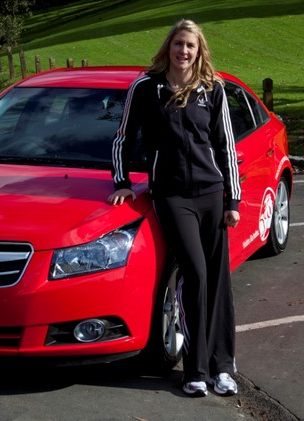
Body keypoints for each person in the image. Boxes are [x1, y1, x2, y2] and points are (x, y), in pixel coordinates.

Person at [108, 19, 241, 398]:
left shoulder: (212, 90)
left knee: (217, 280)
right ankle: (194, 370)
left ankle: (223, 367)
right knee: (195, 275)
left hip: (212, 193)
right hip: (172, 196)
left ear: (199, 52)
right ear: (168, 46)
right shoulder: (146, 88)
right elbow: (122, 138)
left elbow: (225, 146)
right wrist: (121, 183)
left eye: (191, 47)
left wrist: (232, 200)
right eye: (179, 44)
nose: (184, 51)